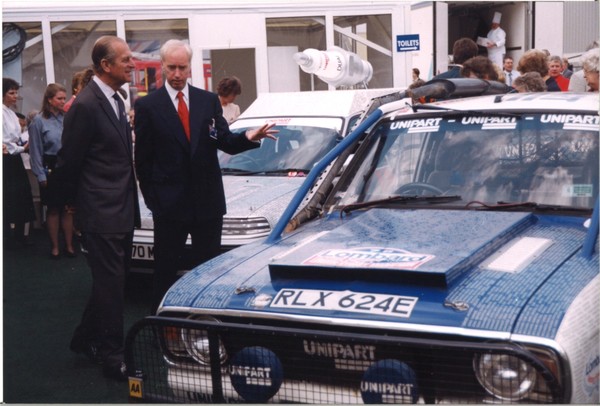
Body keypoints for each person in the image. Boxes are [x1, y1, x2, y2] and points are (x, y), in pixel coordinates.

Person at [134, 39, 278, 313]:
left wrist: (248, 136)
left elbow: (224, 140)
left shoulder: (208, 101)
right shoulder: (148, 106)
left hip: (207, 205)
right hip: (169, 208)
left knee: (209, 271)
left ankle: (207, 324)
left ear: (190, 68)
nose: (177, 74)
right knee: (164, 273)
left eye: (182, 68)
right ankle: (161, 327)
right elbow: (143, 161)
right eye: (172, 67)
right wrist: (155, 202)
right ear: (163, 67)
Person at [56, 35, 140, 381]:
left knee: (110, 281)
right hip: (100, 210)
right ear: (105, 66)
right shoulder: (86, 105)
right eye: (125, 60)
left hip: (120, 207)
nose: (132, 65)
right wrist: (74, 208)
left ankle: (83, 339)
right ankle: (112, 355)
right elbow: (68, 161)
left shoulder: (118, 99)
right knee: (111, 285)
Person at [29, 83, 76, 259]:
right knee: (53, 209)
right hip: (50, 168)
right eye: (60, 98)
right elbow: (35, 151)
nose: (63, 101)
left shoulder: (67, 118)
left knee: (68, 208)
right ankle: (55, 247)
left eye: (65, 98)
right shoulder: (39, 121)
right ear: (49, 100)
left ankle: (70, 246)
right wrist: (41, 175)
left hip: (67, 168)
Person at [3, 78, 36, 249]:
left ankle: (19, 235)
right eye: (11, 92)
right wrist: (23, 149)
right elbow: (4, 143)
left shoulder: (9, 112)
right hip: (6, 160)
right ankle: (7, 236)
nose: (16, 96)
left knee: (21, 195)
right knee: (8, 197)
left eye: (16, 92)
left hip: (14, 158)